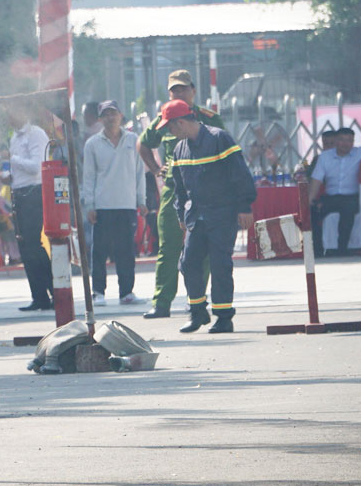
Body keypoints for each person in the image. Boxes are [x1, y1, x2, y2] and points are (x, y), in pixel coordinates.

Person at [160, 99, 256, 334]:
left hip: (222, 213)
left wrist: (244, 206)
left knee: (220, 264)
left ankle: (223, 317)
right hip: (196, 216)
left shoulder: (219, 138)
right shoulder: (179, 148)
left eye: (170, 127)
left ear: (181, 122)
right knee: (188, 263)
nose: (169, 132)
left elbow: (240, 173)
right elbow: (180, 187)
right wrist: (180, 212)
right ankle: (197, 312)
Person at [137, 70, 223, 319]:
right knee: (169, 248)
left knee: (202, 248)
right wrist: (156, 170)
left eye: (183, 88)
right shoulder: (162, 119)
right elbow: (143, 144)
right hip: (174, 190)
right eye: (174, 89)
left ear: (193, 91)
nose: (179, 93)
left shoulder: (209, 118)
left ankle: (195, 300)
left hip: (204, 192)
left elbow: (226, 150)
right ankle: (161, 303)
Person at [82, 101, 147, 306]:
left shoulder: (133, 140)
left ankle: (126, 292)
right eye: (106, 115)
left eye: (113, 113)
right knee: (99, 251)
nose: (110, 118)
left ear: (121, 115)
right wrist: (89, 205)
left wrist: (141, 200)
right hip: (102, 205)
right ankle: (98, 293)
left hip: (126, 204)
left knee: (126, 251)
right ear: (100, 119)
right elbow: (89, 177)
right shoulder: (92, 144)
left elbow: (139, 174)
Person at [310, 127, 361, 256]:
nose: (345, 144)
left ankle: (342, 249)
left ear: (353, 142)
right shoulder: (325, 157)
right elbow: (316, 180)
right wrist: (311, 200)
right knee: (311, 211)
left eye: (349, 140)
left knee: (347, 209)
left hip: (351, 197)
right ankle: (316, 249)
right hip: (330, 197)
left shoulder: (360, 153)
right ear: (336, 141)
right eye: (342, 140)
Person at [7, 100, 53, 311]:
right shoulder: (14, 137)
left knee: (35, 245)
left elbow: (36, 167)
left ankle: (54, 291)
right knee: (25, 247)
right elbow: (17, 168)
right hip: (19, 193)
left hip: (34, 193)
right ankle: (39, 296)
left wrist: (12, 160)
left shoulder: (36, 134)